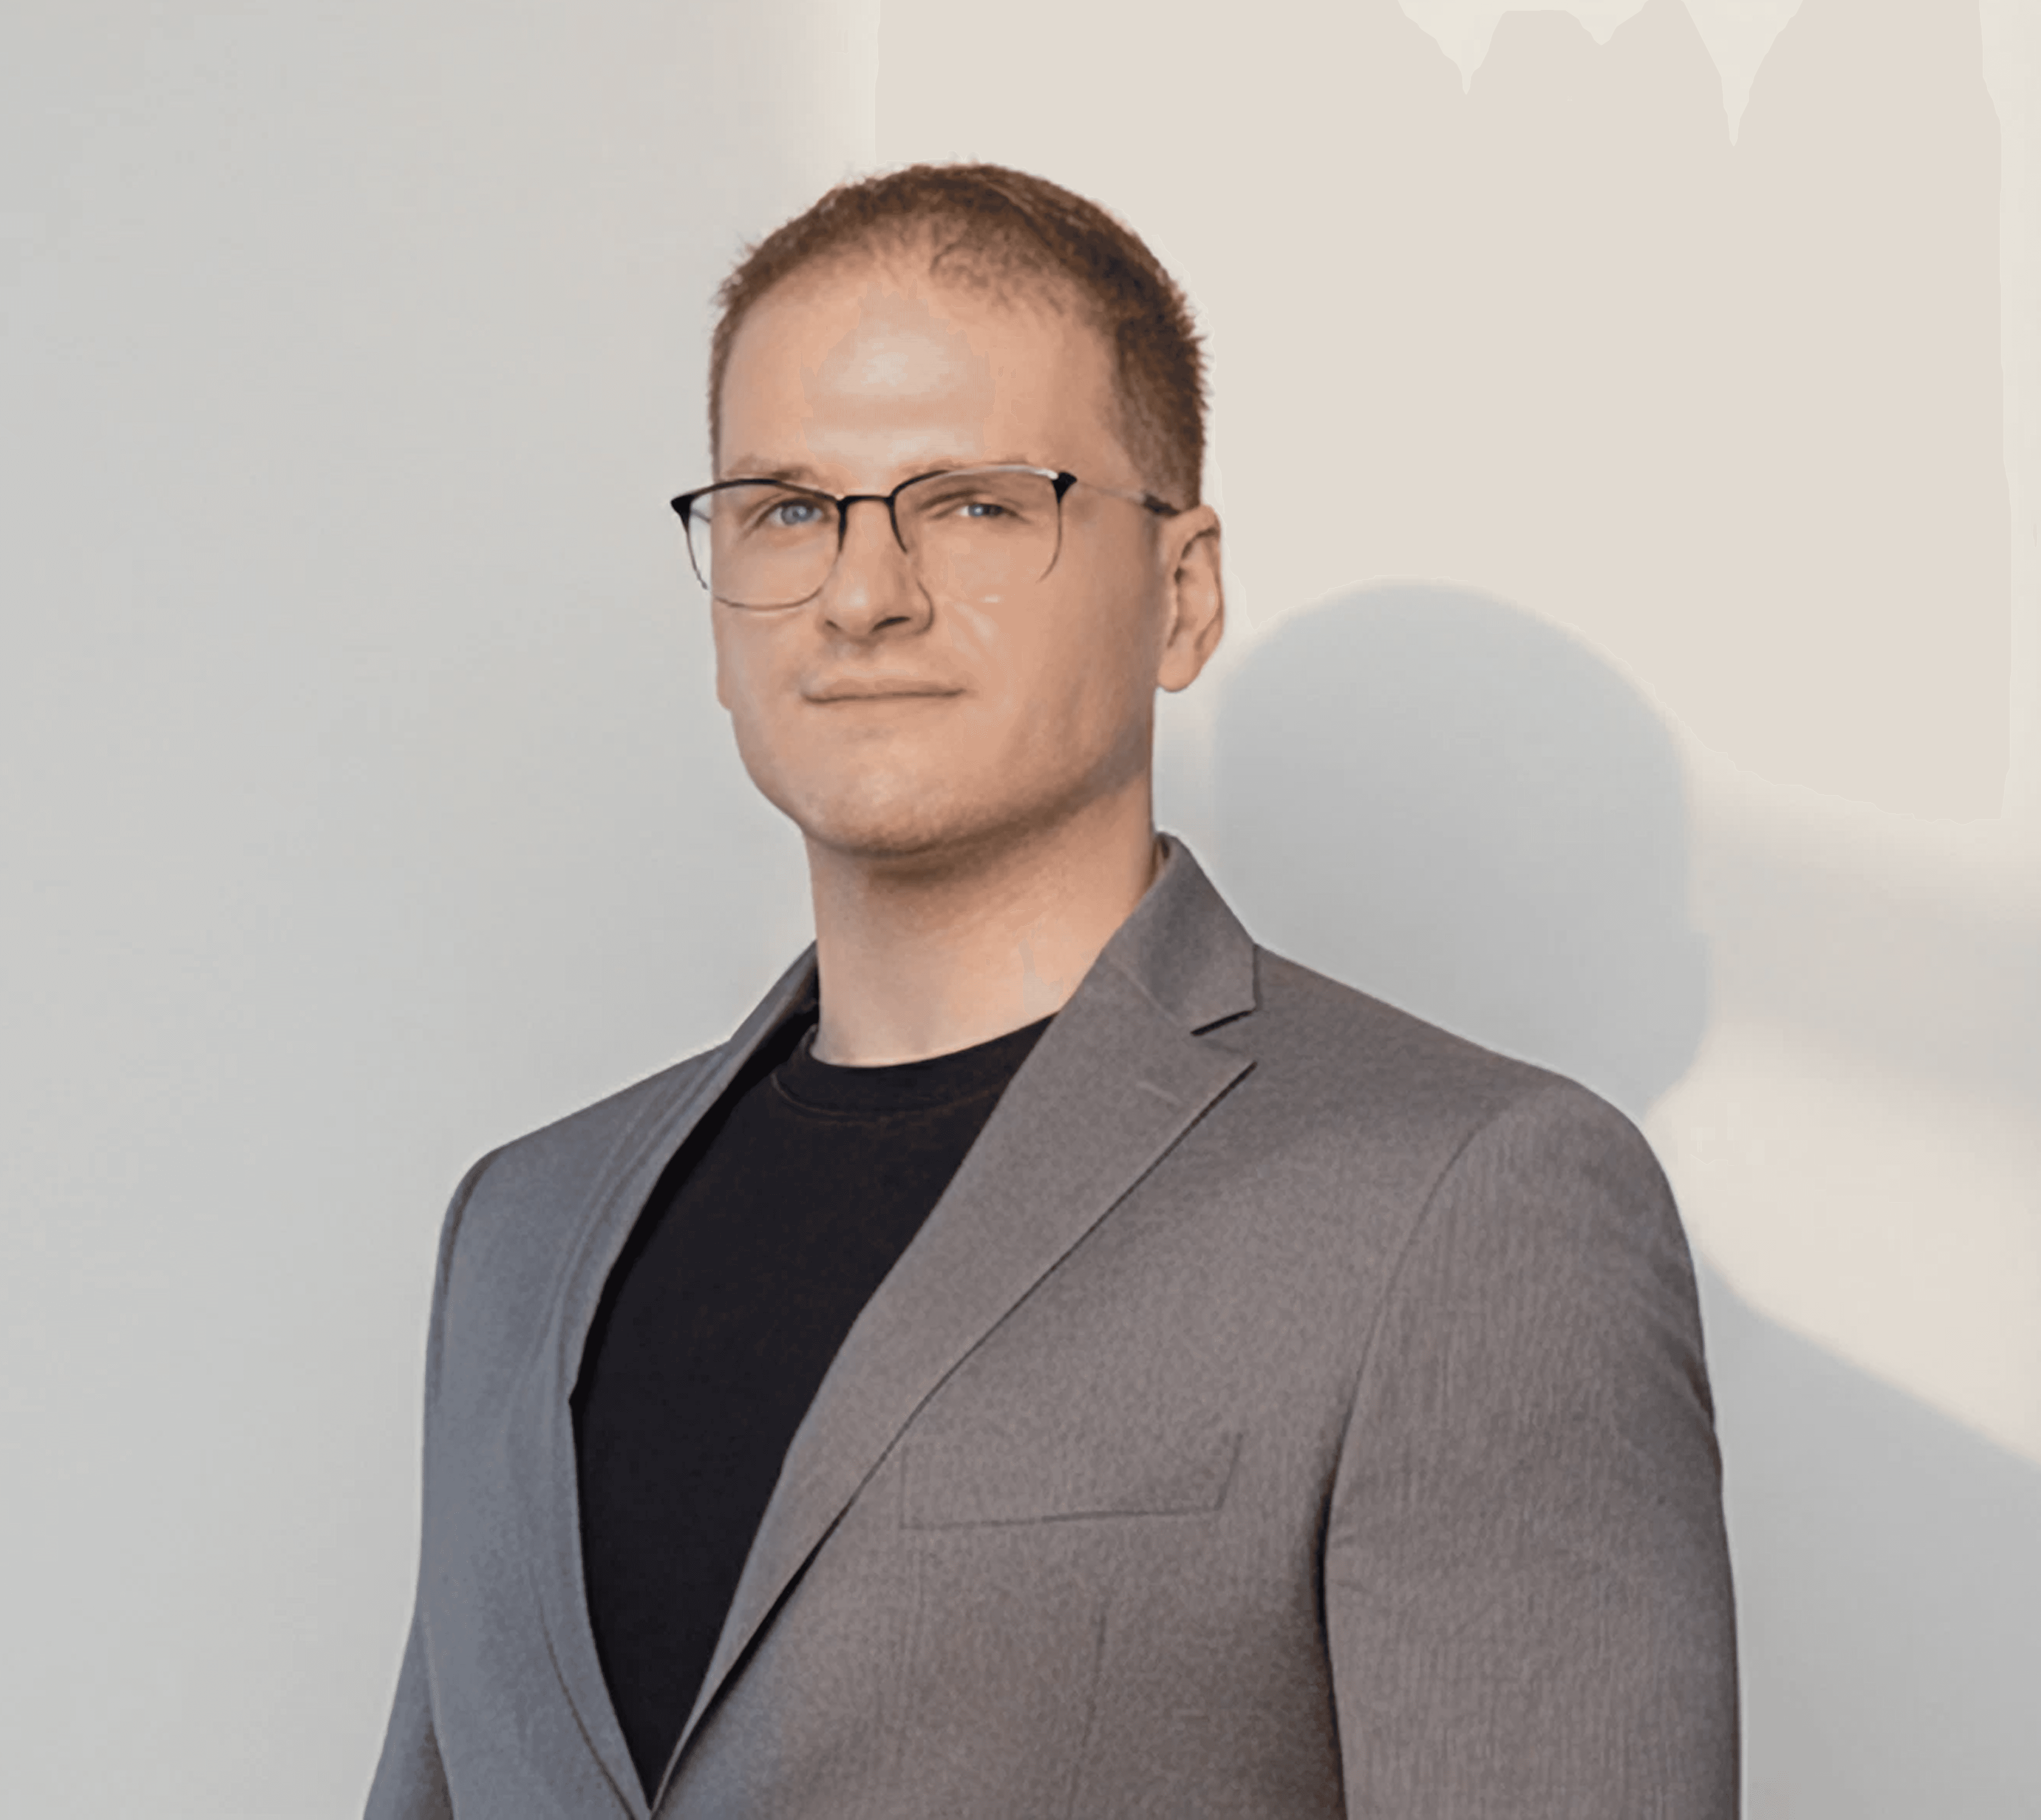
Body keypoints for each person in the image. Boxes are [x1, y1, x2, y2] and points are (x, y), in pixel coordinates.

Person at [365, 162, 1738, 1819]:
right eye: (786, 509)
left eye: (973, 502)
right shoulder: (517, 1230)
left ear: (1180, 591)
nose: (863, 593)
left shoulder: (1461, 1205)